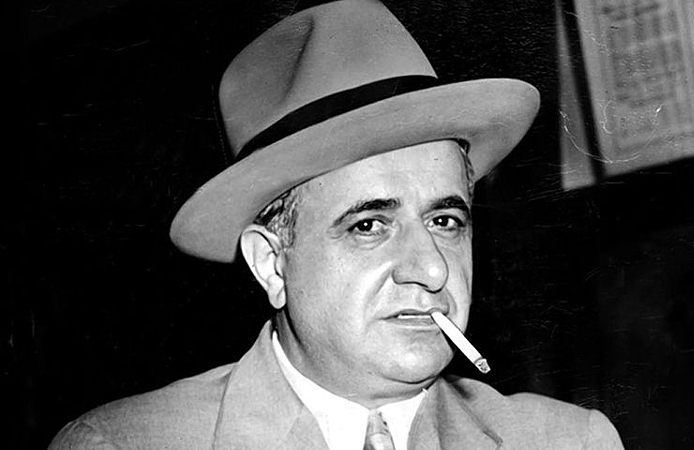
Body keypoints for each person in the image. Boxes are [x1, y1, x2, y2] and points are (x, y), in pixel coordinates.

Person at [50, 1, 624, 449]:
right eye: (369, 225)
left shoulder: (570, 442)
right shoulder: (126, 444)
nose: (432, 269)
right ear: (271, 264)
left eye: (446, 220)